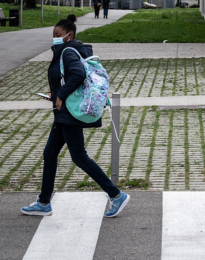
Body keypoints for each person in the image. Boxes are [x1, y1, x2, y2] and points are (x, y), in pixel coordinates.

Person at [21, 15, 129, 217]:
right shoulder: (65, 51)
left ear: (69, 36)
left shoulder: (68, 52)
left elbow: (78, 74)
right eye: (53, 34)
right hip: (64, 113)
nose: (54, 38)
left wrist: (61, 95)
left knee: (79, 157)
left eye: (58, 35)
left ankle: (116, 195)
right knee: (50, 154)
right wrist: (55, 94)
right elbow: (66, 78)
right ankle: (44, 202)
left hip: (69, 113)